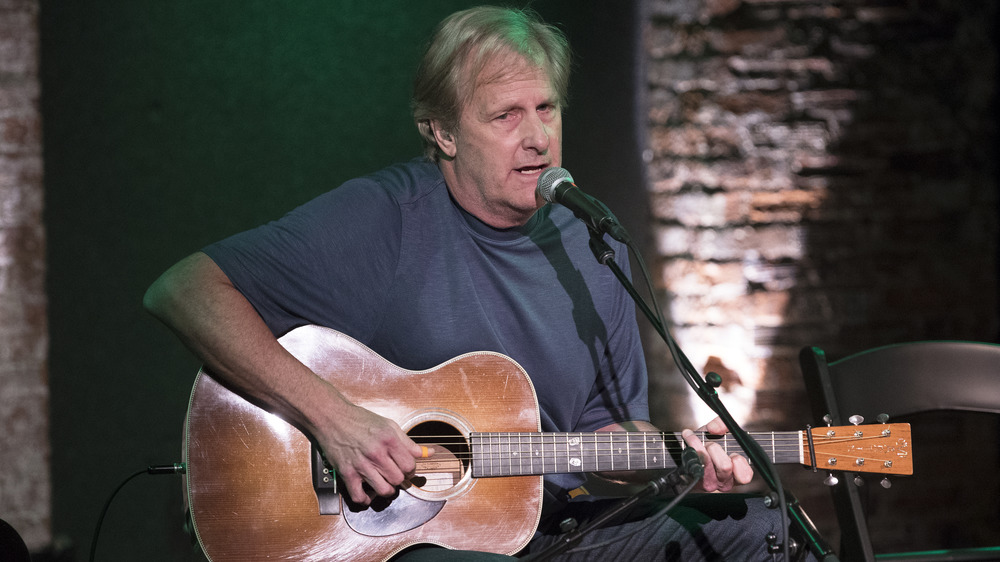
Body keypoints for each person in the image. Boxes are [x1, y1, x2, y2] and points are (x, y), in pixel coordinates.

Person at [145, 6, 808, 561]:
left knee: (764, 535)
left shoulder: (591, 244)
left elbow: (605, 436)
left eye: (546, 108)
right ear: (443, 132)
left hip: (562, 530)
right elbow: (184, 289)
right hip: (418, 545)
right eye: (506, 116)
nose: (538, 137)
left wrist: (678, 460)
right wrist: (334, 419)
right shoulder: (387, 218)